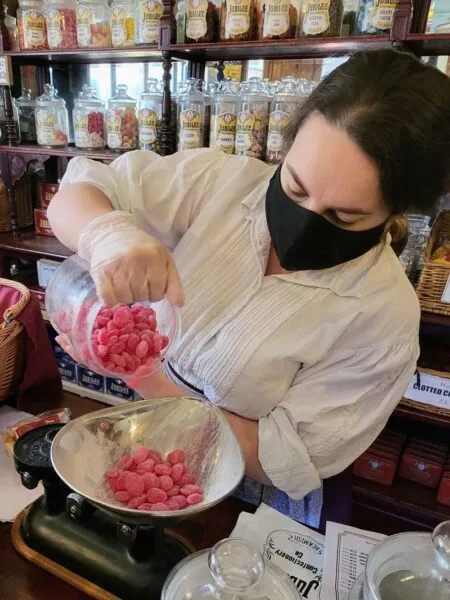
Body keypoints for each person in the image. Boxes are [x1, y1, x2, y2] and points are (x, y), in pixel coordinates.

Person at [48, 49, 450, 527]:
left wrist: (143, 377)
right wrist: (109, 234)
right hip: (141, 430)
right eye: (295, 187)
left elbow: (278, 458)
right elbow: (78, 194)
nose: (302, 221)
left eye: (344, 216)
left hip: (243, 497)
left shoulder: (383, 316)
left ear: (397, 211)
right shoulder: (221, 183)